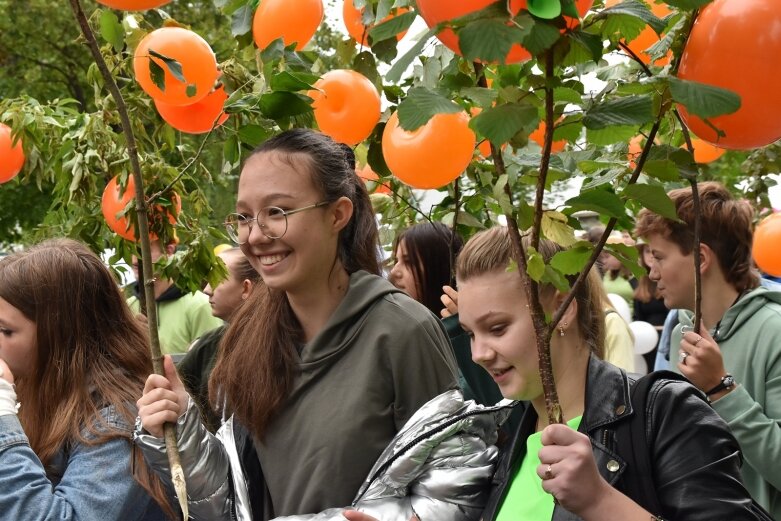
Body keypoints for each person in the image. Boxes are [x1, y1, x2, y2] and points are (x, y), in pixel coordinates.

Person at [134, 129, 459, 520]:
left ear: (338, 214)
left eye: (277, 212)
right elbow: (233, 500)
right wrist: (182, 426)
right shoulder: (246, 340)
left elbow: (455, 482)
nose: (255, 235)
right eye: (243, 217)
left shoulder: (403, 331)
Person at [345, 226, 769, 521]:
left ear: (562, 310)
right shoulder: (506, 432)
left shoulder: (664, 413)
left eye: (497, 328)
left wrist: (602, 501)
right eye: (471, 333)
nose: (478, 354)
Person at [636, 181, 781, 518]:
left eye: (658, 256)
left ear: (701, 258)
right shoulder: (682, 331)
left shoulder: (775, 331)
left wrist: (721, 389)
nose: (651, 271)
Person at [0, 238, 173, 520]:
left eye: (5, 330)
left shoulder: (117, 419)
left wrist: (3, 420)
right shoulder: (39, 387)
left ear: (57, 334)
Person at [389, 221, 503, 406]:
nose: (394, 272)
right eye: (396, 261)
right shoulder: (399, 334)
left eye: (408, 262)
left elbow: (497, 407)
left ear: (438, 267)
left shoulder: (471, 332)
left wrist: (460, 332)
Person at [177, 247, 261, 432]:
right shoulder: (209, 344)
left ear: (246, 287)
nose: (207, 289)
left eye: (216, 279)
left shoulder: (274, 343)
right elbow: (176, 392)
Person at [128, 238, 223, 355]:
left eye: (144, 250)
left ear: (169, 250)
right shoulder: (128, 306)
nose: (135, 260)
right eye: (132, 250)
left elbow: (210, 363)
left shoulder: (199, 305)